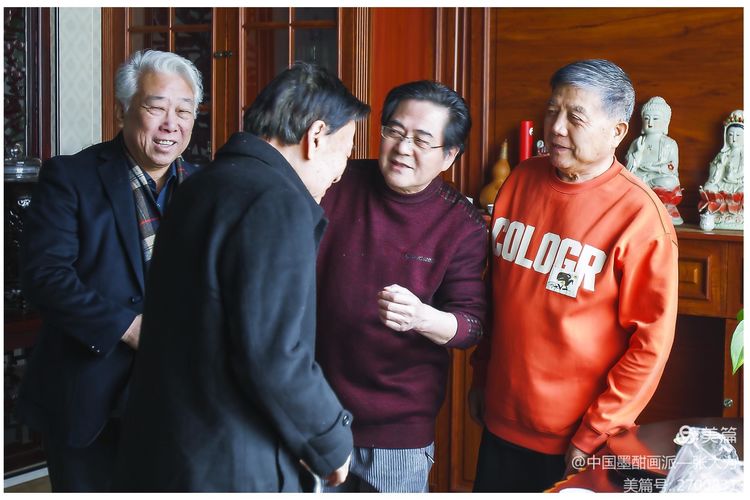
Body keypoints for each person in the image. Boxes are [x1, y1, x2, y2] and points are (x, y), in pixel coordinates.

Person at [111, 62, 370, 492]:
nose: (342, 171)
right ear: (316, 136)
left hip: (169, 446)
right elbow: (274, 353)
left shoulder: (203, 185)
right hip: (231, 460)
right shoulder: (276, 201)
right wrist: (330, 440)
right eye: (346, 151)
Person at [469, 59, 678, 492]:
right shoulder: (521, 179)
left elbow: (649, 345)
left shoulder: (640, 217)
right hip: (501, 419)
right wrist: (481, 375)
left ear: (617, 132)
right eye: (552, 111)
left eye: (576, 117)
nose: (557, 128)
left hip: (576, 440)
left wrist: (597, 429)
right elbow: (497, 295)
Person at [16, 49, 202, 492]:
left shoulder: (206, 186)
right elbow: (45, 276)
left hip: (181, 398)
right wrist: (130, 327)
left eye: (184, 111)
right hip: (89, 397)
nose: (171, 124)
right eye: (156, 108)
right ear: (123, 110)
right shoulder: (71, 177)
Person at [315, 80, 488, 493]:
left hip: (396, 431)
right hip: (311, 410)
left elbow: (471, 325)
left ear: (449, 155)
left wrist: (422, 317)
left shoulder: (461, 224)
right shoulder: (334, 181)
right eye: (394, 131)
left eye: (422, 141)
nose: (402, 148)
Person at [625, 96, 683, 224]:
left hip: (658, 178)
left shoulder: (670, 143)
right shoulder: (637, 142)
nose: (650, 123)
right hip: (640, 177)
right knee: (627, 182)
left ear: (665, 122)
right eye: (646, 118)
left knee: (669, 182)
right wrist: (637, 153)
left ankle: (663, 210)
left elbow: (672, 167)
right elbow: (628, 168)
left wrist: (654, 168)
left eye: (655, 119)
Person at [704, 109, 743, 194]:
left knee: (743, 191)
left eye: (738, 135)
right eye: (730, 135)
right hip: (723, 184)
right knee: (708, 189)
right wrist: (719, 165)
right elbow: (713, 171)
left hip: (739, 183)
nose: (734, 139)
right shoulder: (723, 153)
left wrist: (734, 177)